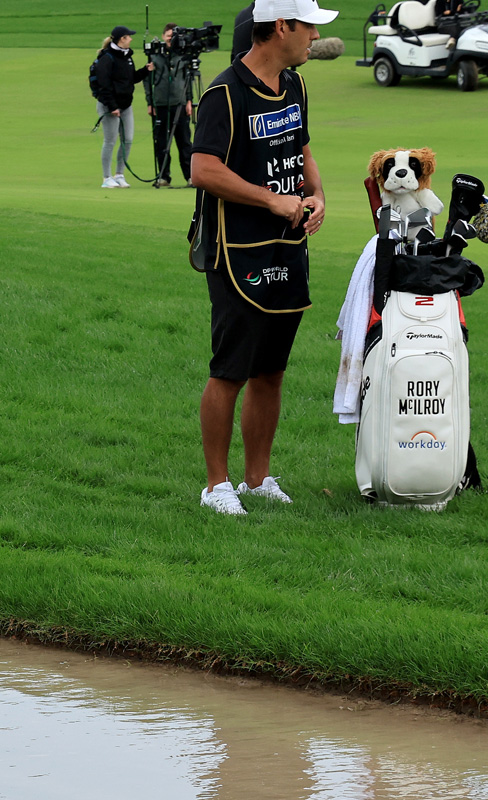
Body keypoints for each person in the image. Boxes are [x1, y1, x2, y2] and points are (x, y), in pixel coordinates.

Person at [190, 0, 335, 515]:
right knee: (230, 369)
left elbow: (303, 152)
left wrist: (315, 195)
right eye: (309, 26)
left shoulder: (294, 84)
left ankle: (257, 478)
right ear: (281, 27)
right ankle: (215, 486)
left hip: (287, 247)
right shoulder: (223, 94)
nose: (315, 36)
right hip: (236, 251)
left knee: (271, 371)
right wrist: (272, 199)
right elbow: (203, 170)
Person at [95, 25, 153, 189]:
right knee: (110, 141)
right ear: (122, 39)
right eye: (129, 37)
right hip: (110, 107)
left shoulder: (127, 56)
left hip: (126, 105)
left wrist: (145, 71)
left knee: (127, 140)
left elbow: (130, 79)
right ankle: (107, 177)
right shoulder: (107, 58)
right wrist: (112, 106)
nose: (131, 39)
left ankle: (119, 174)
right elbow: (103, 85)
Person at [144, 23, 194, 188]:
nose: (170, 39)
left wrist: (188, 100)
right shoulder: (155, 56)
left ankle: (190, 176)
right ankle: (164, 177)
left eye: (173, 36)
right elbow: (148, 80)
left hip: (179, 103)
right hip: (160, 104)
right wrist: (149, 102)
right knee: (162, 142)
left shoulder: (182, 55)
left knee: (185, 142)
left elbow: (188, 79)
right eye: (168, 36)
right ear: (163, 36)